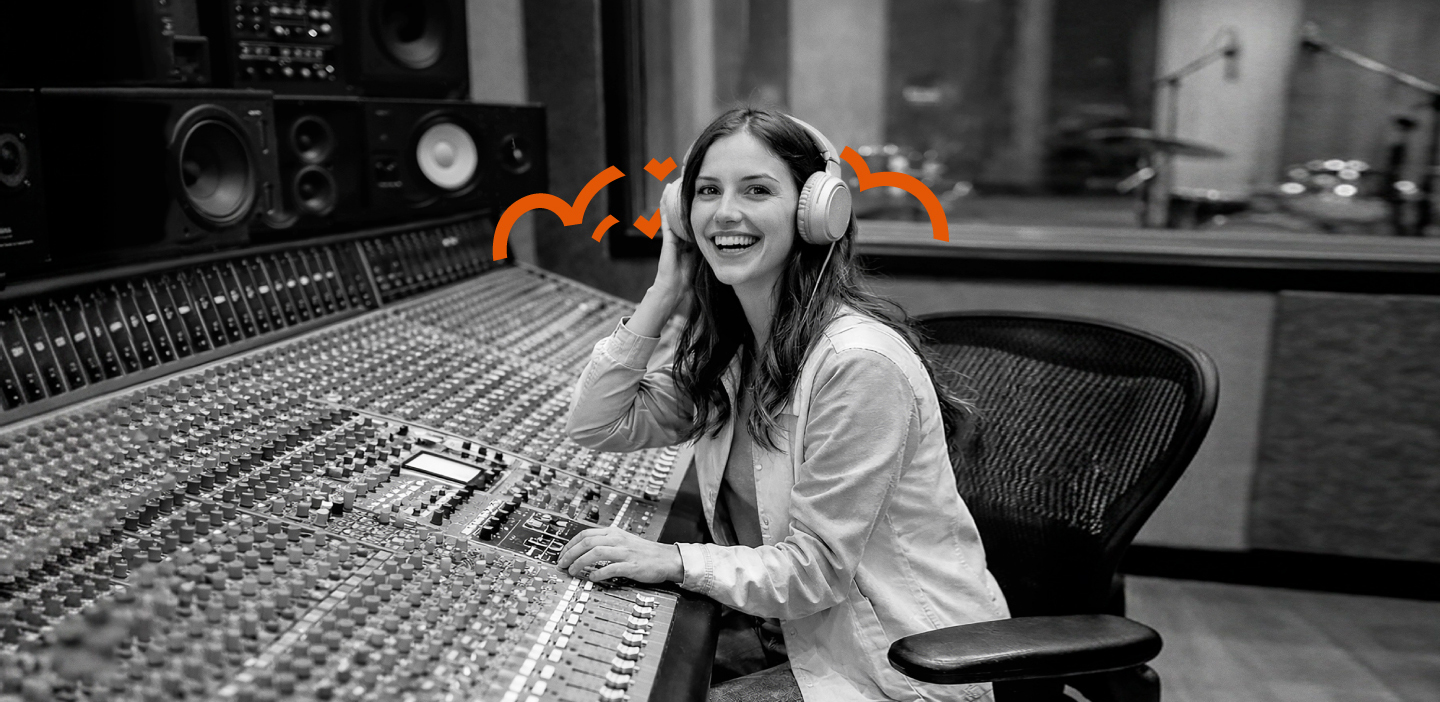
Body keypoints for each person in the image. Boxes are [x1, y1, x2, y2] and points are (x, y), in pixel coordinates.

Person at [558, 107, 1008, 702]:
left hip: (893, 665)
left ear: (815, 212)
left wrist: (673, 560)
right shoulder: (733, 352)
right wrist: (665, 288)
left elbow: (815, 571)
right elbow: (597, 423)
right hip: (789, 631)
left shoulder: (857, 364)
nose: (725, 212)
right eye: (707, 192)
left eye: (757, 190)